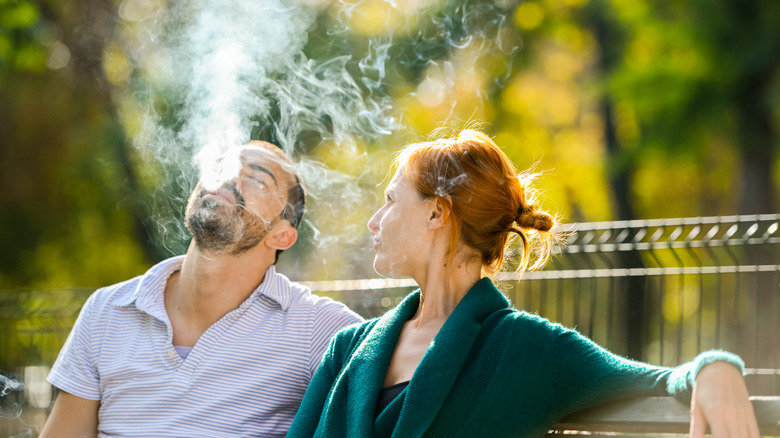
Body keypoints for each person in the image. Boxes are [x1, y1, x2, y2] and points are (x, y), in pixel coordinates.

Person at [287, 130, 759, 437]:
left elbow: (659, 380)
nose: (374, 220)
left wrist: (714, 368)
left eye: (390, 200)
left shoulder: (530, 350)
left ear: (437, 211)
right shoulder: (347, 350)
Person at [40, 141, 363, 438]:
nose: (228, 179)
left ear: (281, 236)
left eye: (257, 179)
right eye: (223, 166)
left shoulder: (317, 328)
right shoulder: (107, 310)